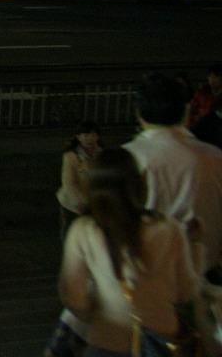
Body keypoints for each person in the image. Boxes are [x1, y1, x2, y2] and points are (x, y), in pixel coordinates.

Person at [59, 147, 202, 357]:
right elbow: (186, 291)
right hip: (163, 341)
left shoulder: (84, 230)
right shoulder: (168, 227)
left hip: (107, 340)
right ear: (138, 184)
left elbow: (74, 297)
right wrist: (197, 247)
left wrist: (98, 311)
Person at [124, 72, 222, 279]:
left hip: (144, 275)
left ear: (139, 112)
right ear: (186, 110)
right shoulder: (214, 157)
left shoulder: (126, 158)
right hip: (203, 273)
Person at [57, 122, 102, 239]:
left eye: (93, 135)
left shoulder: (102, 154)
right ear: (78, 137)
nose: (89, 139)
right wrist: (79, 203)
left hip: (94, 203)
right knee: (71, 234)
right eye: (85, 135)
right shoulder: (71, 156)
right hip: (72, 205)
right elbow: (69, 182)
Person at [190, 64, 222, 150]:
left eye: (215, 77)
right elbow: (192, 110)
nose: (212, 80)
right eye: (210, 77)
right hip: (201, 129)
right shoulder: (202, 93)